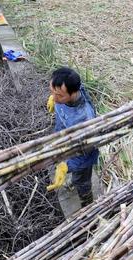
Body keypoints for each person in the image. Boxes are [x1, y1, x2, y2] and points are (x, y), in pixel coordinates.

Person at [46, 67, 99, 207]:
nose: (55, 98)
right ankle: (72, 181)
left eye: (59, 95)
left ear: (74, 92)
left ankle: (87, 205)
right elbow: (58, 94)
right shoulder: (66, 91)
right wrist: (54, 98)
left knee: (82, 181)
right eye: (52, 92)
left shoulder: (85, 119)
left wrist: (66, 165)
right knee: (74, 176)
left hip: (81, 157)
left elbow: (85, 152)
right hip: (65, 140)